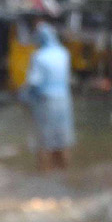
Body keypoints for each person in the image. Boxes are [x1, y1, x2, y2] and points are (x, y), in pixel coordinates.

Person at [19, 22, 75, 171]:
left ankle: (44, 176)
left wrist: (23, 96)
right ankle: (64, 174)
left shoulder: (39, 56)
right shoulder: (64, 53)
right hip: (64, 102)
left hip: (45, 102)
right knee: (63, 141)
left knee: (44, 143)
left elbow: (34, 82)